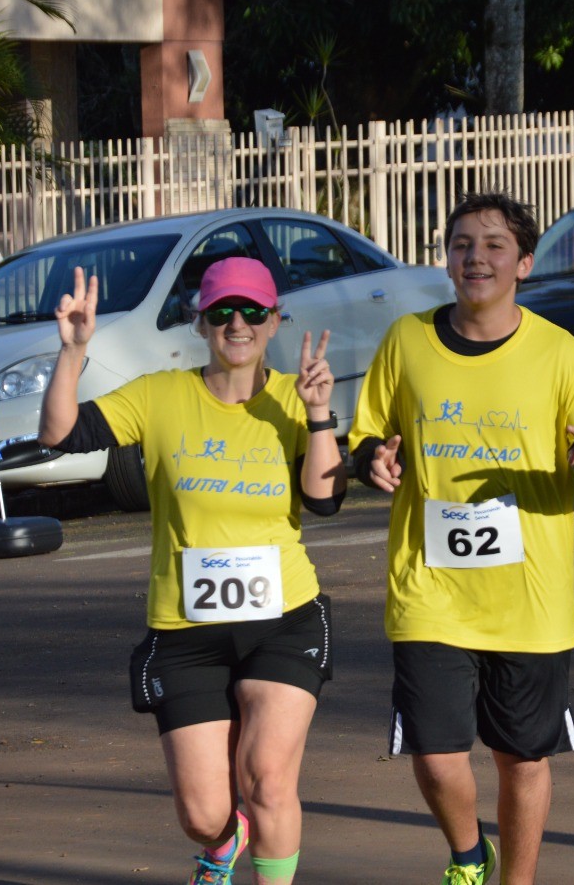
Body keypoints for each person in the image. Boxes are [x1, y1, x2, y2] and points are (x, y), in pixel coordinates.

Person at [348, 191, 574, 885]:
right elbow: (366, 436)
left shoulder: (558, 354)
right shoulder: (408, 341)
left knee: (522, 759)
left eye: (493, 245)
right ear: (446, 259)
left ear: (524, 264)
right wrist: (372, 461)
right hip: (430, 588)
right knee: (435, 749)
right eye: (461, 245)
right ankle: (468, 854)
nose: (475, 257)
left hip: (528, 600)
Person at [38, 256, 345, 885]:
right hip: (186, 628)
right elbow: (60, 433)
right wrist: (72, 352)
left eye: (253, 311)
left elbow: (325, 499)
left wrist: (319, 416)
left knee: (266, 777)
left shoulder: (294, 396)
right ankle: (220, 846)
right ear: (200, 322)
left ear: (274, 320)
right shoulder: (160, 396)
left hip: (282, 618)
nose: (238, 323)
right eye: (222, 311)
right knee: (204, 813)